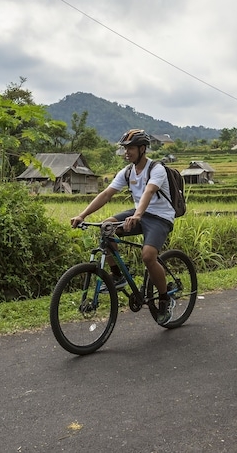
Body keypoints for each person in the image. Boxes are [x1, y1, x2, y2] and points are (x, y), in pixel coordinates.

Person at [70, 129, 176, 324]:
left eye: (131, 148)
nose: (126, 152)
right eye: (125, 148)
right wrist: (82, 215)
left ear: (142, 149)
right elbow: (105, 195)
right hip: (139, 214)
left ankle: (164, 298)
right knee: (106, 227)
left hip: (160, 217)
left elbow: (148, 192)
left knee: (148, 256)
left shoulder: (156, 169)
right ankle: (118, 276)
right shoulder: (127, 172)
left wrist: (137, 215)